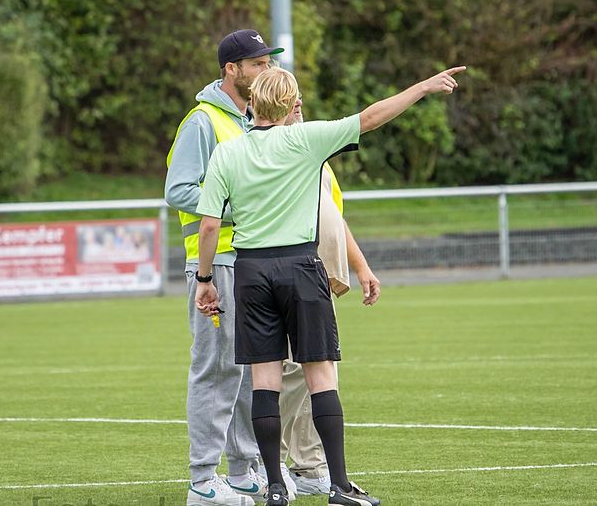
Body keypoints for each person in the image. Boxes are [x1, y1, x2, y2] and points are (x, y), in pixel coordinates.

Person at [194, 64, 465, 506]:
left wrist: (205, 280)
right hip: (300, 266)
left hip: (250, 272)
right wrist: (422, 86)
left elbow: (208, 227)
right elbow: (371, 117)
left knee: (264, 381)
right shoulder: (307, 139)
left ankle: (275, 488)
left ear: (254, 101)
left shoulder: (228, 152)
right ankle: (339, 485)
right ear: (289, 104)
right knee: (321, 376)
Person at [165, 29, 283, 506]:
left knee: (248, 370)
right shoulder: (202, 121)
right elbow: (178, 190)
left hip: (250, 260)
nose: (267, 70)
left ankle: (240, 471)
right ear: (232, 69)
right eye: (258, 64)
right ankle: (201, 480)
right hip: (215, 264)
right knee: (215, 370)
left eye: (268, 63)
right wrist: (239, 208)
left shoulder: (252, 119)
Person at [265, 96, 382, 497]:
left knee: (317, 372)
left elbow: (333, 216)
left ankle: (310, 465)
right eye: (290, 96)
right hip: (288, 275)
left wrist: (361, 266)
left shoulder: (312, 149)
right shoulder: (277, 151)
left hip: (316, 275)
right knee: (287, 373)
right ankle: (268, 464)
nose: (298, 102)